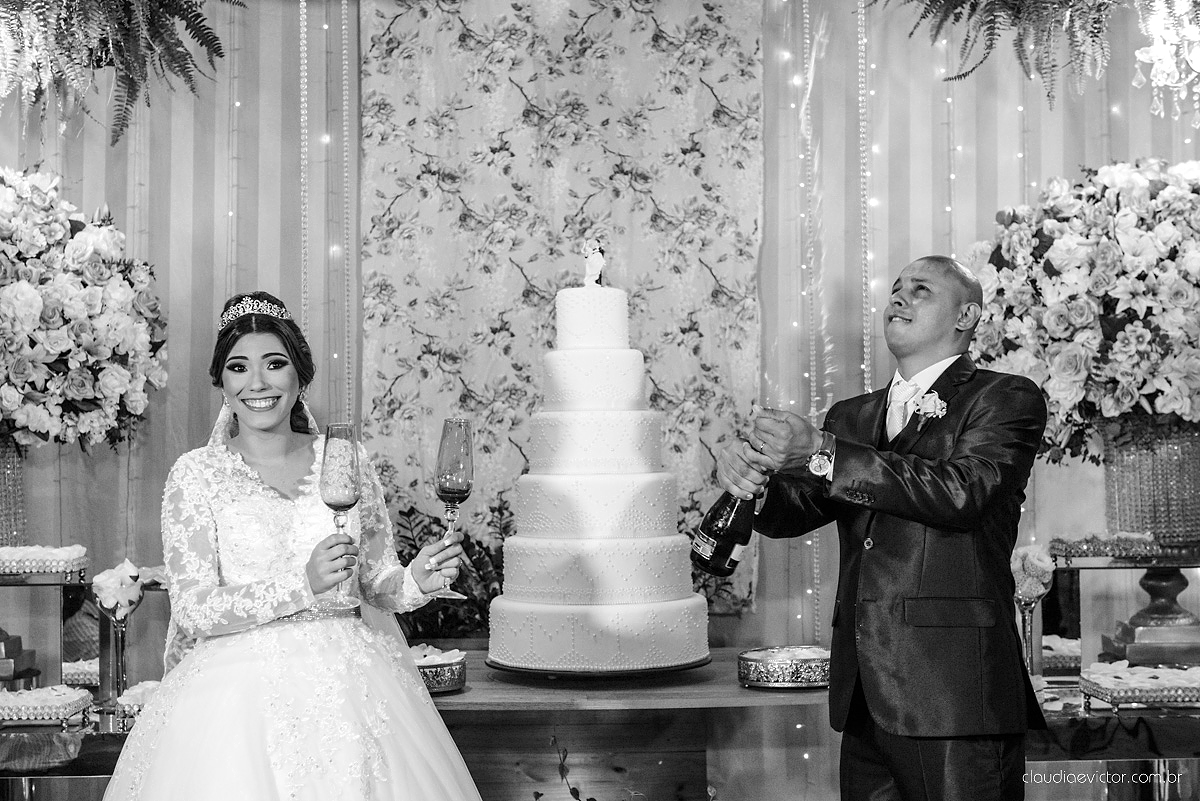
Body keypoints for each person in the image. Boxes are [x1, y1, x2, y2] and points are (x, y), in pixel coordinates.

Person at [103, 291, 484, 801]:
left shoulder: (346, 458)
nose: (257, 383)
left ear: (299, 376)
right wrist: (301, 585)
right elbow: (194, 610)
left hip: (354, 690)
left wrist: (416, 580)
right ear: (222, 383)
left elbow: (375, 582)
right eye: (238, 368)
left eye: (274, 364)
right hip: (233, 700)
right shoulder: (196, 475)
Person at [718, 256, 1047, 801]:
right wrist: (752, 481)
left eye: (920, 290)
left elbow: (960, 493)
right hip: (863, 696)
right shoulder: (851, 417)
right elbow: (790, 515)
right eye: (895, 289)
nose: (898, 297)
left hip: (955, 694)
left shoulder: (1006, 396)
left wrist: (822, 452)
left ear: (967, 315)